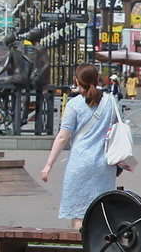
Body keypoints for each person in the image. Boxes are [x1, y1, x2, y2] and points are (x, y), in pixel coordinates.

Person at [41, 64, 119, 229]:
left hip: (79, 164)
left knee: (79, 217)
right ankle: (98, 243)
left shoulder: (74, 105)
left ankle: (80, 243)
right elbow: (117, 129)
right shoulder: (111, 102)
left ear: (77, 81)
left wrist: (48, 165)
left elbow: (63, 137)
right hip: (104, 165)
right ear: (97, 79)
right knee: (101, 212)